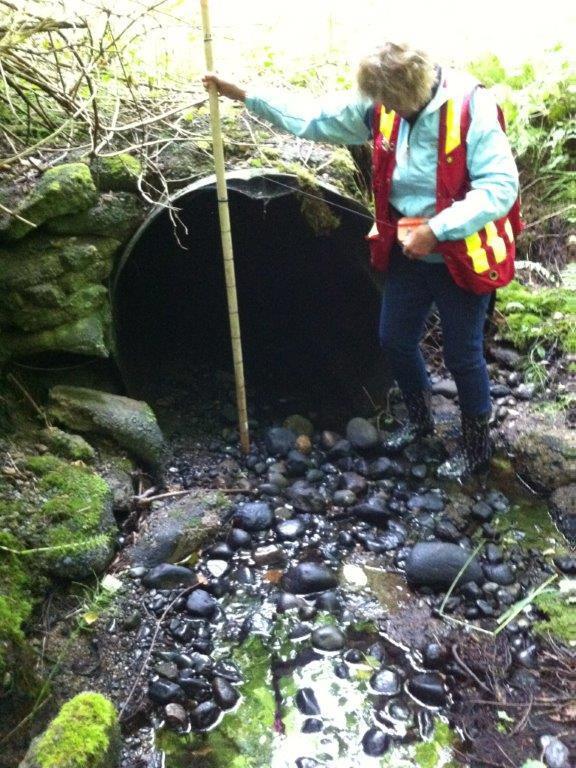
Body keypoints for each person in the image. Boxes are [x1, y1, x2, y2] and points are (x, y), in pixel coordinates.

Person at [203, 41, 520, 479]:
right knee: (394, 339)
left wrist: (438, 230)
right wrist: (247, 96)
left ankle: (476, 446)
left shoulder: (472, 108)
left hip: (463, 254)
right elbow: (315, 119)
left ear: (409, 90)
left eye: (387, 100)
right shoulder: (381, 105)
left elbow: (500, 187)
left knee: (462, 356)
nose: (379, 109)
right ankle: (421, 422)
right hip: (408, 249)